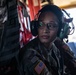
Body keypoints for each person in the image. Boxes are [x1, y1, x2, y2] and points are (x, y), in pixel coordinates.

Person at [18, 4, 64, 75]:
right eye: (41, 24)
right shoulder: (30, 55)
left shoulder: (55, 49)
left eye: (51, 25)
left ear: (60, 30)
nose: (45, 30)